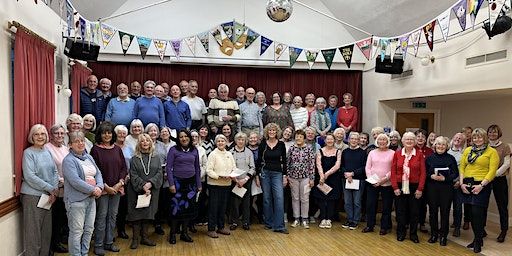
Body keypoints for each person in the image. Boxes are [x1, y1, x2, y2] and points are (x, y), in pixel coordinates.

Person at [62, 131, 104, 256]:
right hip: (76, 201)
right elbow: (75, 181)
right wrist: (93, 190)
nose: (80, 143)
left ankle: (84, 253)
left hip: (91, 200)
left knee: (89, 229)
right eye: (76, 141)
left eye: (82, 141)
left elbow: (98, 173)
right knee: (77, 231)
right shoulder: (68, 161)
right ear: (70, 145)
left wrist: (100, 187)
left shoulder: (89, 157)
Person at [90, 121, 128, 255]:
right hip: (103, 189)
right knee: (101, 217)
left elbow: (124, 168)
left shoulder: (117, 149)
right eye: (104, 132)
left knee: (113, 216)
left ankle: (109, 242)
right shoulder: (95, 149)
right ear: (100, 134)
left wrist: (119, 184)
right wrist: (106, 186)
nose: (107, 135)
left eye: (109, 132)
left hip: (117, 189)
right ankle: (99, 245)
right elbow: (95, 170)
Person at [21, 124, 59, 256]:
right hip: (32, 196)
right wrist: (50, 189)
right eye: (36, 134)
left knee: (46, 232)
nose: (40, 137)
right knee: (33, 233)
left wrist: (54, 189)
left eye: (42, 134)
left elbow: (54, 171)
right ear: (31, 136)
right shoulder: (28, 153)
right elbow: (30, 176)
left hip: (48, 196)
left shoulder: (47, 151)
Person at [459, 128, 498, 253]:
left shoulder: (492, 152)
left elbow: (492, 171)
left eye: (480, 137)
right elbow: (462, 167)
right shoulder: (467, 150)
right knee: (469, 213)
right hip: (467, 184)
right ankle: (477, 238)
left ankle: (477, 240)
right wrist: (461, 183)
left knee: (478, 214)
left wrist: (481, 185)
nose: (477, 139)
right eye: (475, 137)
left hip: (482, 185)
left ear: (485, 138)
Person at [127, 133, 163, 249]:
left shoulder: (156, 157)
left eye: (147, 140)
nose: (145, 143)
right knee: (136, 215)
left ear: (151, 142)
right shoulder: (134, 159)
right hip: (136, 190)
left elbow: (159, 173)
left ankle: (145, 238)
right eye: (142, 141)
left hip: (152, 190)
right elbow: (133, 174)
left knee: (148, 214)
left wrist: (150, 183)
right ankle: (135, 239)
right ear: (139, 144)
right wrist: (143, 185)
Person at [166, 130, 202, 244]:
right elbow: (168, 168)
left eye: (186, 136)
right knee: (176, 209)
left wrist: (199, 184)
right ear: (178, 139)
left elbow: (197, 168)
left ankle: (184, 233)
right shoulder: (173, 150)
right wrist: (171, 183)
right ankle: (172, 234)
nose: (184, 138)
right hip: (177, 183)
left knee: (188, 209)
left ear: (189, 138)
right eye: (181, 137)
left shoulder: (194, 150)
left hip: (191, 184)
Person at [391, 132, 426, 243]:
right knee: (400, 211)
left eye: (411, 139)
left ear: (414, 141)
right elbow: (393, 171)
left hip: (414, 186)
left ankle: (413, 234)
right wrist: (395, 187)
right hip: (400, 186)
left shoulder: (419, 155)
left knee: (414, 212)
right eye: (407, 139)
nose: (409, 141)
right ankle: (401, 233)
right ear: (403, 141)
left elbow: (423, 173)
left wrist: (420, 189)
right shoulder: (397, 154)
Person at [425, 136, 458, 246]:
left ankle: (443, 236)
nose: (440, 146)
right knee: (433, 212)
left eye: (443, 144)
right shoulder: (429, 158)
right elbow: (424, 173)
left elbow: (455, 174)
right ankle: (434, 234)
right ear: (435, 145)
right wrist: (431, 176)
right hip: (432, 188)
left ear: (447, 146)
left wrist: (445, 178)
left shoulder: (451, 158)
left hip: (446, 189)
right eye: (438, 144)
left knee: (445, 212)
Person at [256, 123, 289, 234]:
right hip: (265, 173)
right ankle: (268, 223)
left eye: (274, 131)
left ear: (277, 132)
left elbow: (284, 161)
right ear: (267, 132)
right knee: (266, 199)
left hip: (277, 173)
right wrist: (257, 175)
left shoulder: (281, 144)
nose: (271, 132)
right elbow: (259, 160)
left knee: (279, 198)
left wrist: (285, 175)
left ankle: (279, 226)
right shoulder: (262, 144)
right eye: (270, 130)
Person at [362, 133, 394, 235]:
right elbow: (368, 168)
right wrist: (372, 180)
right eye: (380, 140)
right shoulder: (372, 153)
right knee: (371, 205)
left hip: (387, 183)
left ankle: (384, 227)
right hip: (372, 183)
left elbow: (394, 169)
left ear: (387, 141)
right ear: (377, 141)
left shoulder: (392, 153)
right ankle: (370, 225)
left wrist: (384, 179)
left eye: (384, 140)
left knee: (386, 206)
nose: (382, 142)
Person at [45, 124, 69, 253]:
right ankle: (51, 246)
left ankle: (57, 242)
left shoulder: (65, 149)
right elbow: (49, 170)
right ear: (51, 135)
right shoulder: (47, 148)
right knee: (53, 220)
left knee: (60, 219)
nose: (59, 136)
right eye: (56, 133)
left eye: (61, 133)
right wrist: (60, 180)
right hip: (54, 189)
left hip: (66, 190)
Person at [206, 134, 236, 238]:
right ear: (216, 143)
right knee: (213, 207)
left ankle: (221, 227)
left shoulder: (229, 154)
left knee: (223, 207)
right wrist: (218, 177)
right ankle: (211, 229)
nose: (220, 143)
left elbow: (234, 168)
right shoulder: (212, 154)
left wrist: (232, 175)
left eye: (222, 141)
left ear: (226, 142)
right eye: (218, 141)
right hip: (215, 184)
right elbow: (208, 170)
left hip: (226, 184)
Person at [286, 130, 315, 229]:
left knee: (305, 198)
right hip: (293, 177)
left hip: (305, 178)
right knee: (295, 198)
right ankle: (296, 219)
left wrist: (312, 178)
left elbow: (311, 164)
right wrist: (288, 176)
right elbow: (288, 163)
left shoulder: (309, 149)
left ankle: (305, 219)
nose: (298, 138)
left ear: (304, 138)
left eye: (300, 137)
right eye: (297, 137)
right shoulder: (291, 148)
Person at [312, 133, 342, 229]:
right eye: (328, 139)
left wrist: (326, 174)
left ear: (334, 141)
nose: (329, 141)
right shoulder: (320, 151)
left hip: (333, 178)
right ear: (325, 141)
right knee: (321, 199)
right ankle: (323, 218)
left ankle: (329, 219)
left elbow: (337, 165)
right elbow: (318, 164)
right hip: (321, 179)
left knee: (331, 200)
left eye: (331, 139)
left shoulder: (338, 151)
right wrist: (322, 176)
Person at [487, 124, 511, 242]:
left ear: (499, 133)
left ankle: (503, 230)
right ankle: (481, 230)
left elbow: (507, 164)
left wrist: (493, 174)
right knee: (482, 204)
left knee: (502, 205)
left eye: (495, 132)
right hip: (485, 179)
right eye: (490, 132)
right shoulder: (484, 145)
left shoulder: (505, 146)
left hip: (499, 178)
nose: (492, 134)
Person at [228, 132, 256, 230]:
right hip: (234, 181)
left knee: (246, 203)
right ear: (236, 140)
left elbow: (252, 168)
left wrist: (245, 179)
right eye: (239, 139)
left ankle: (246, 222)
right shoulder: (230, 152)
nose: (240, 141)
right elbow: (229, 167)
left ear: (245, 141)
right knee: (234, 203)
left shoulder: (249, 152)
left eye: (243, 140)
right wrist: (236, 180)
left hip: (246, 181)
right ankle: (234, 222)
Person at [341, 132, 367, 230]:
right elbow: (342, 165)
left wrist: (352, 174)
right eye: (352, 138)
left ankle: (355, 221)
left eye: (356, 139)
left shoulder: (363, 153)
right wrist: (347, 174)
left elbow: (364, 167)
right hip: (346, 180)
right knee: (347, 202)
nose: (354, 140)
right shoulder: (345, 152)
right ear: (348, 140)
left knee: (356, 202)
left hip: (359, 180)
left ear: (358, 140)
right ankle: (349, 219)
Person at [114, 125, 133, 240]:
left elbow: (132, 163)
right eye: (119, 133)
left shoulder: (129, 147)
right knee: (112, 208)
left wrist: (129, 175)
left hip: (127, 180)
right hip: (114, 181)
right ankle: (110, 232)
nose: (121, 135)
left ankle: (121, 230)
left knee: (123, 208)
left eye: (123, 133)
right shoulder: (112, 147)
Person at [415, 129, 433, 233]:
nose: (420, 138)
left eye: (423, 137)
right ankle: (411, 221)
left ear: (426, 139)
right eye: (418, 136)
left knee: (423, 203)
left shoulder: (430, 151)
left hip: (427, 182)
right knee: (413, 203)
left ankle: (422, 223)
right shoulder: (411, 149)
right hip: (414, 181)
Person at [448, 132, 466, 237]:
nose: (457, 139)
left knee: (458, 206)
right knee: (446, 206)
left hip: (458, 183)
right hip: (447, 184)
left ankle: (457, 227)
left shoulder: (464, 153)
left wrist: (459, 181)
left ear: (463, 142)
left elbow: (465, 169)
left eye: (460, 139)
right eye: (456, 137)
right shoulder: (447, 152)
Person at [191, 130, 209, 226]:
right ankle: (189, 222)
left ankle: (198, 219)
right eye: (192, 136)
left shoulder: (202, 149)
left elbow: (205, 165)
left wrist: (198, 176)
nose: (194, 138)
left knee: (200, 201)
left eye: (196, 136)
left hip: (200, 179)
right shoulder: (186, 149)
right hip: (189, 179)